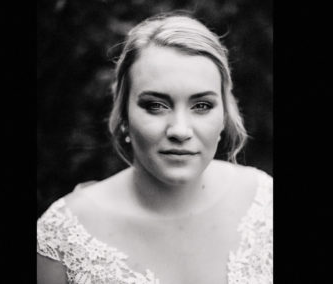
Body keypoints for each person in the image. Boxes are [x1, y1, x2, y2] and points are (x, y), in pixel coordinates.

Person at [37, 11, 272, 284]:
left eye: (202, 106)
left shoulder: (265, 204)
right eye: (155, 106)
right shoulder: (62, 236)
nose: (180, 131)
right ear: (124, 115)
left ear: (224, 116)